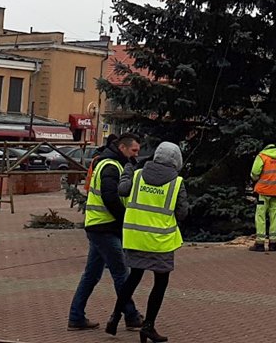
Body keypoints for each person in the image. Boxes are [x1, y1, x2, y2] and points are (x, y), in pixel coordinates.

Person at [106, 141, 186, 342]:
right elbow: (183, 212)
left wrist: (127, 170)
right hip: (160, 241)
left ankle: (115, 317)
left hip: (136, 237)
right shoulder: (177, 182)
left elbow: (122, 190)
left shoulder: (138, 174)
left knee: (133, 277)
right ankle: (148, 326)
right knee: (160, 283)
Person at [67, 132, 143, 331]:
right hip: (104, 227)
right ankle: (132, 316)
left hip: (99, 226)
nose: (135, 154)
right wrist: (125, 218)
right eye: (134, 150)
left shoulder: (111, 164)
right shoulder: (111, 166)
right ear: (123, 148)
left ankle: (76, 316)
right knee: (121, 273)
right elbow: (110, 198)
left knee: (92, 275)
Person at [249, 143, 276, 253]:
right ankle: (273, 244)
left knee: (260, 216)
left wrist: (257, 179)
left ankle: (260, 244)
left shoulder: (262, 156)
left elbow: (254, 173)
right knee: (274, 216)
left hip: (264, 191)